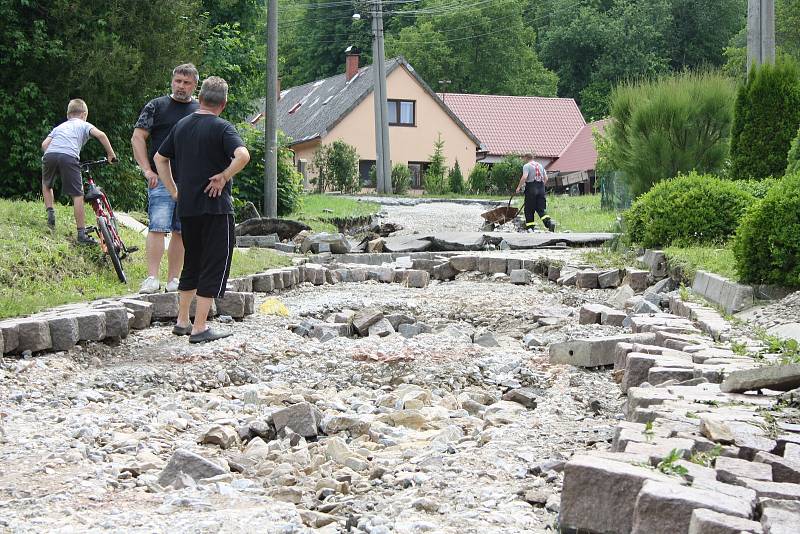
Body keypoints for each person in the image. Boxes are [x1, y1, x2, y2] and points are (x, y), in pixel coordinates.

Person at [154, 76, 250, 343]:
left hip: (188, 207)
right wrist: (224, 175)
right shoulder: (222, 128)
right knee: (214, 263)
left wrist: (174, 190)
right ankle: (200, 328)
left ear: (201, 97)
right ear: (224, 102)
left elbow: (159, 159)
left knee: (192, 262)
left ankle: (182, 320)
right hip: (216, 209)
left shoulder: (181, 125)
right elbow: (243, 155)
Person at [132, 63, 200, 294]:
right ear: (172, 81)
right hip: (160, 178)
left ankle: (174, 280)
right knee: (157, 226)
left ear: (195, 85)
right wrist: (146, 169)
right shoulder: (156, 106)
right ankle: (152, 278)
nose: (181, 86)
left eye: (186, 82)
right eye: (178, 81)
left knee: (181, 231)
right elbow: (138, 137)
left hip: (189, 181)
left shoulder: (200, 110)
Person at [41, 98, 117, 244]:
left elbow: (45, 144)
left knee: (47, 184)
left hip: (50, 154)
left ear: (69, 114)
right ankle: (81, 234)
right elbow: (101, 135)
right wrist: (111, 155)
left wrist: (54, 156)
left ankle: (50, 213)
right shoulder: (84, 124)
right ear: (83, 114)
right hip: (69, 156)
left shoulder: (60, 126)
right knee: (77, 195)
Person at [516, 152, 555, 232]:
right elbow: (546, 178)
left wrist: (519, 187)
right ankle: (549, 223)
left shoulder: (526, 166)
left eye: (524, 158)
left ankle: (530, 228)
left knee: (529, 209)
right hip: (541, 188)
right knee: (541, 209)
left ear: (526, 158)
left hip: (531, 188)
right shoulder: (540, 165)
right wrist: (541, 187)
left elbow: (524, 177)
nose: (523, 160)